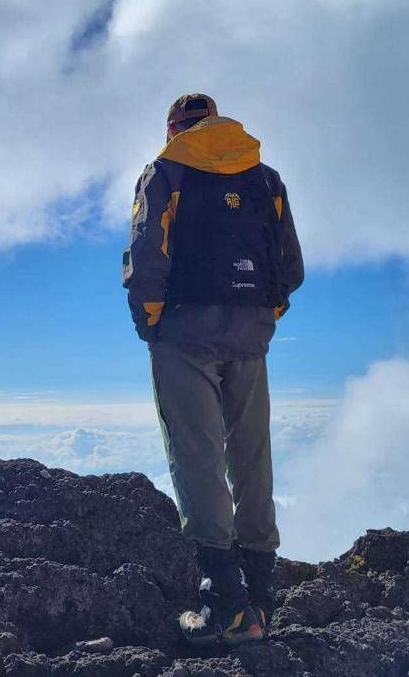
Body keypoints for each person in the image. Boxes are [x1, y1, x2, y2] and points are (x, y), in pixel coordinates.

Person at [122, 93, 304, 647]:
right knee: (252, 455)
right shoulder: (264, 177)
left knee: (197, 454)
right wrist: (262, 314)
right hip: (251, 333)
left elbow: (146, 254)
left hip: (184, 333)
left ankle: (225, 603)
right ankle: (262, 600)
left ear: (175, 127)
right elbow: (290, 266)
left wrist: (152, 325)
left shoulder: (166, 170)